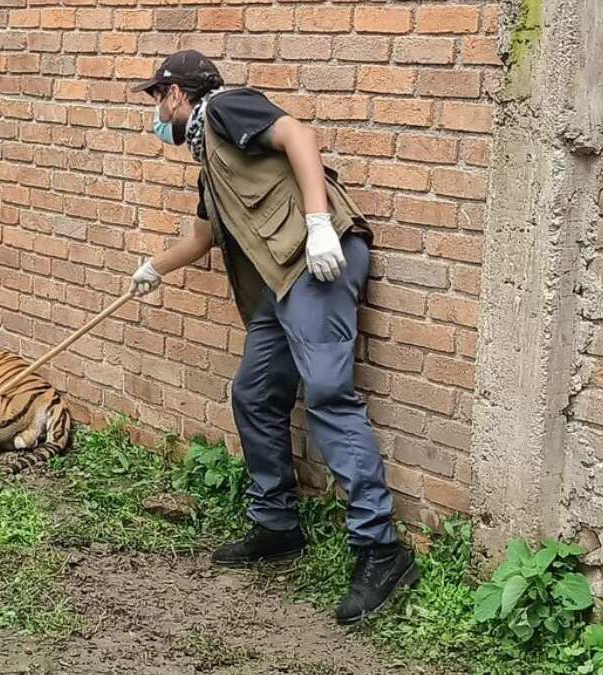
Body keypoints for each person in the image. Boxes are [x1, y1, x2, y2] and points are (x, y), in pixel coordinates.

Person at [126, 50, 419, 625]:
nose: (157, 113)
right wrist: (153, 268)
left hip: (315, 265)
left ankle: (381, 550)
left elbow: (299, 136)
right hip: (280, 283)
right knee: (254, 394)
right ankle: (277, 525)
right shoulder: (209, 164)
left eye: (157, 98)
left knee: (330, 395)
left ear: (178, 93)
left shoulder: (222, 109)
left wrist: (317, 226)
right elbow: (203, 238)